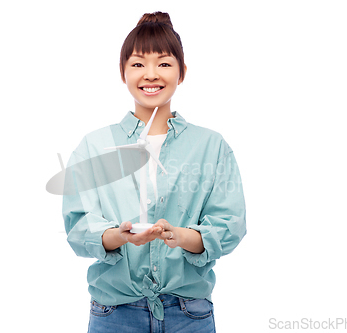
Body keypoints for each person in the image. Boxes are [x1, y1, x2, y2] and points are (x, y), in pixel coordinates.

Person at [62, 11, 246, 333]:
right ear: (122, 72)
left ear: (182, 71)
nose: (151, 75)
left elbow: (230, 223)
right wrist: (118, 236)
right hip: (115, 314)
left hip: (188, 315)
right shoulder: (96, 146)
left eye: (163, 63)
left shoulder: (211, 146)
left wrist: (184, 237)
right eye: (137, 64)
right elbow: (79, 225)